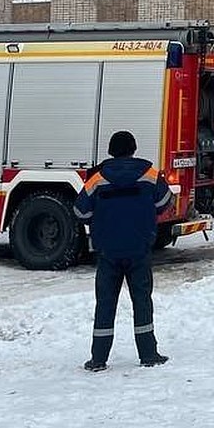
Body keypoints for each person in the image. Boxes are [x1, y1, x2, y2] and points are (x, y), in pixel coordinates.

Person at [75, 130, 172, 372]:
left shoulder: (97, 178)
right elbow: (165, 202)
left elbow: (80, 212)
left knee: (105, 304)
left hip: (108, 252)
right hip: (139, 248)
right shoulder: (149, 174)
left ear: (111, 150)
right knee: (142, 301)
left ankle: (98, 359)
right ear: (133, 148)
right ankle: (148, 354)